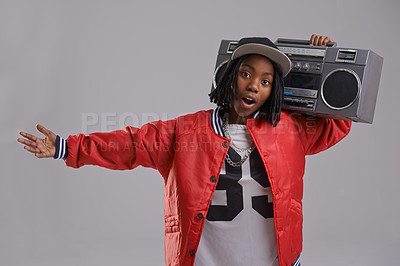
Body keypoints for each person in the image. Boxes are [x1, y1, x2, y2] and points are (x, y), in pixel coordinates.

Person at [17, 34, 351, 266]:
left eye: (266, 81)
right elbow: (129, 144)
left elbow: (339, 120)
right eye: (247, 74)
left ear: (273, 91)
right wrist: (65, 147)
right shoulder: (184, 132)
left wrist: (327, 57)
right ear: (229, 77)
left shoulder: (290, 130)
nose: (253, 85)